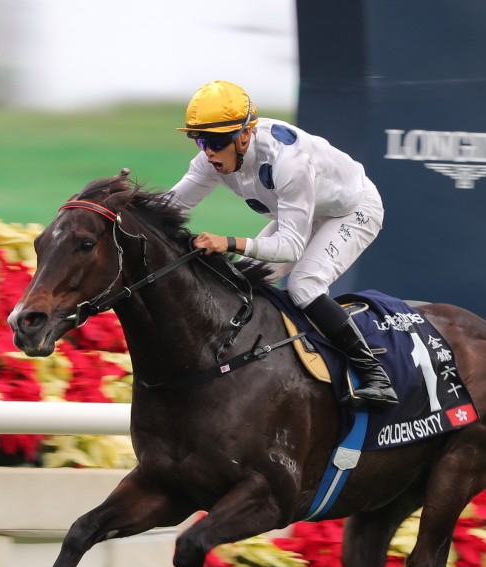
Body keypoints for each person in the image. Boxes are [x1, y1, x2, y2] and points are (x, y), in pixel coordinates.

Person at [165, 80, 397, 408]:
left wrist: (228, 242)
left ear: (245, 134)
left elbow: (290, 248)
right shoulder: (212, 158)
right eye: (201, 141)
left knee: (304, 285)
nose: (209, 152)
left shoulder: (289, 161)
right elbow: (171, 206)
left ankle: (375, 374)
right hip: (306, 209)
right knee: (241, 280)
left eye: (217, 141)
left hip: (352, 210)